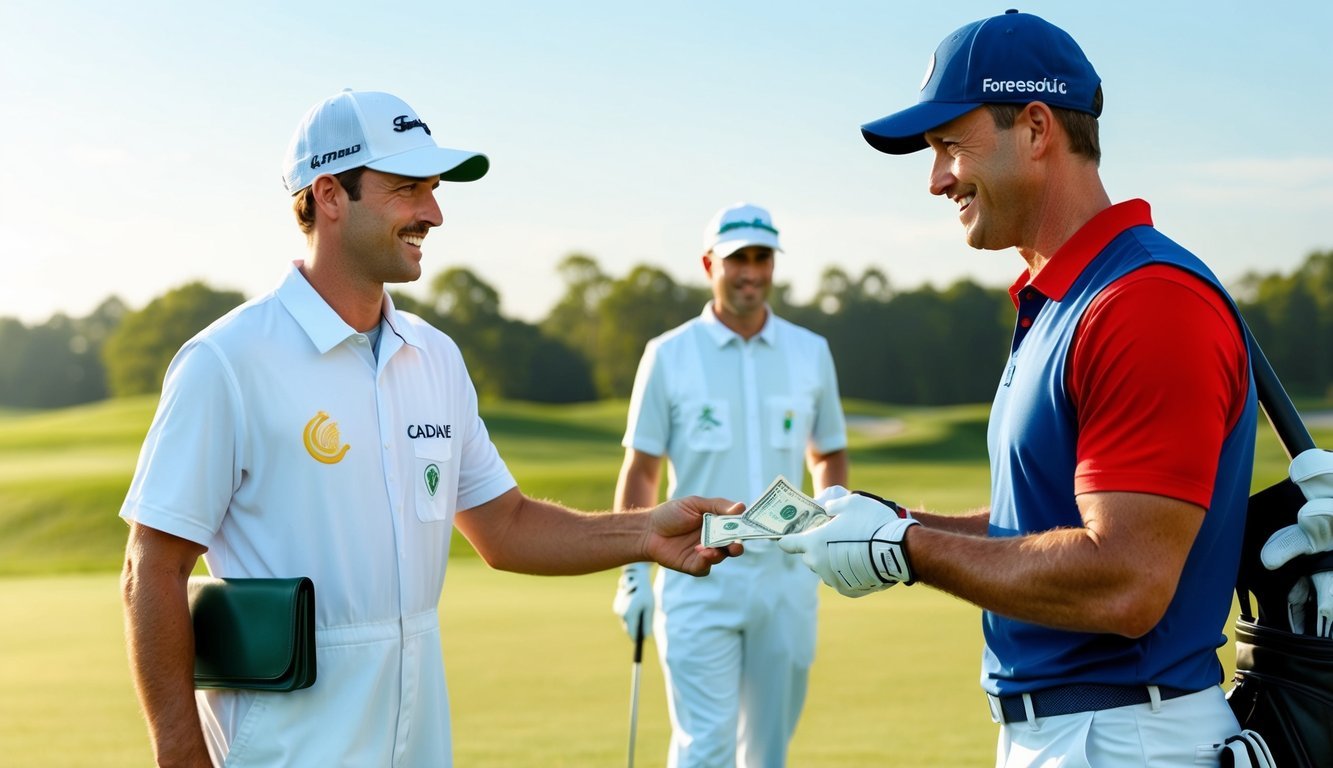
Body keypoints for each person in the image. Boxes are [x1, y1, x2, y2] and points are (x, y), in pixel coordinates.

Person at [118, 88, 741, 768]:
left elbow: (502, 527)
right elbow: (153, 565)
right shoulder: (228, 360)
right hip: (283, 747)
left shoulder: (434, 356)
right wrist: (181, 756)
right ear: (329, 195)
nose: (434, 214)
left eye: (433, 190)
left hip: (418, 737)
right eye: (407, 189)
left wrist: (643, 531)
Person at [777, 11, 1261, 766]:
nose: (936, 179)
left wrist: (902, 549)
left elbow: (1124, 583)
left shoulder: (1143, 302)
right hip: (1081, 733)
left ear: (1036, 129)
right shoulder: (1062, 302)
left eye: (949, 146)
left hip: (1126, 737)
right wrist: (899, 521)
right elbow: (1040, 527)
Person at [611, 202, 849, 767]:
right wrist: (631, 573)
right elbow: (642, 470)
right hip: (697, 577)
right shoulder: (668, 354)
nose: (750, 271)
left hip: (786, 582)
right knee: (705, 750)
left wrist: (826, 525)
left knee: (767, 754)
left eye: (761, 257)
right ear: (708, 264)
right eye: (737, 258)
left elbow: (829, 454)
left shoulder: (809, 351)